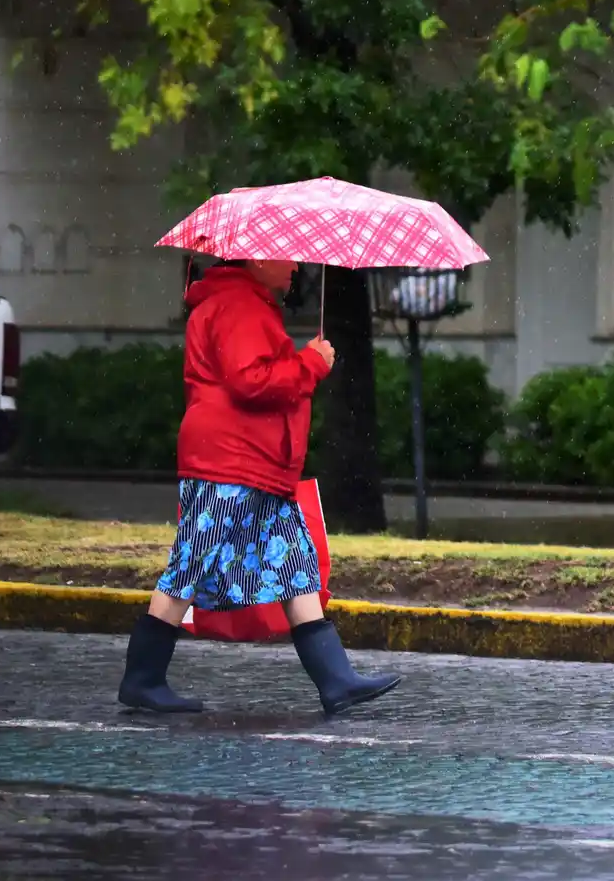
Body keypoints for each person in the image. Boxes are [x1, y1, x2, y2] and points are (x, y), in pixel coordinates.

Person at [119, 258, 402, 716]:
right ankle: (142, 678)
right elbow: (251, 382)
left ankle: (336, 680)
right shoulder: (238, 305)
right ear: (255, 258)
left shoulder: (244, 303)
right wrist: (309, 364)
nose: (295, 267)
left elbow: (256, 373)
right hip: (231, 461)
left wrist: (299, 362)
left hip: (253, 463)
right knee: (192, 562)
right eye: (286, 258)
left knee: (294, 562)